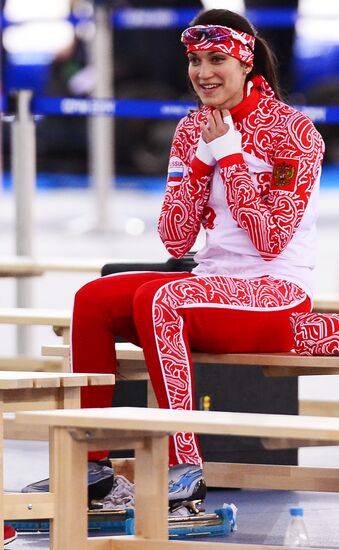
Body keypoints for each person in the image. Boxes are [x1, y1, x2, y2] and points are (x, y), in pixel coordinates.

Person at [69, 8, 324, 514]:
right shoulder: (191, 131)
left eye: (216, 59)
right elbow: (175, 235)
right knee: (92, 298)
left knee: (161, 297)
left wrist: (228, 154)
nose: (203, 72)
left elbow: (271, 240)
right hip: (213, 280)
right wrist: (202, 161)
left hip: (276, 291)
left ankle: (185, 472)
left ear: (245, 63)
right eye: (194, 59)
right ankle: (94, 471)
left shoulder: (294, 133)